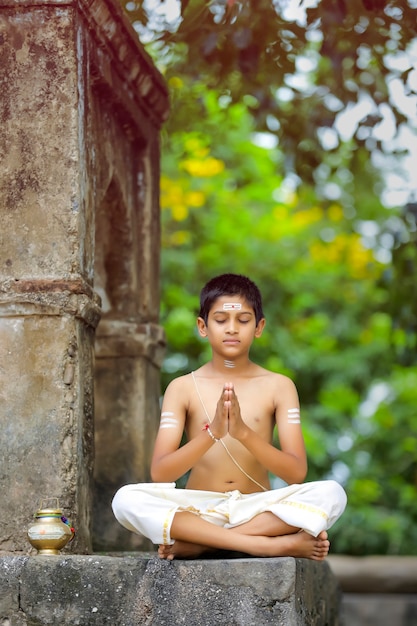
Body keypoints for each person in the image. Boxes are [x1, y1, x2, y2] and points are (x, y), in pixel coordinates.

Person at [112, 273, 347, 560]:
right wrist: (213, 433)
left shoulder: (279, 386)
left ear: (259, 327)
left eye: (243, 320)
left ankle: (207, 544)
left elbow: (295, 472)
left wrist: (242, 432)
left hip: (257, 509)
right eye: (221, 320)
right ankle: (263, 545)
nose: (232, 329)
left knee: (333, 493)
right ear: (203, 326)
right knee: (125, 500)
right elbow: (161, 473)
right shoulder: (182, 388)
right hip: (199, 510)